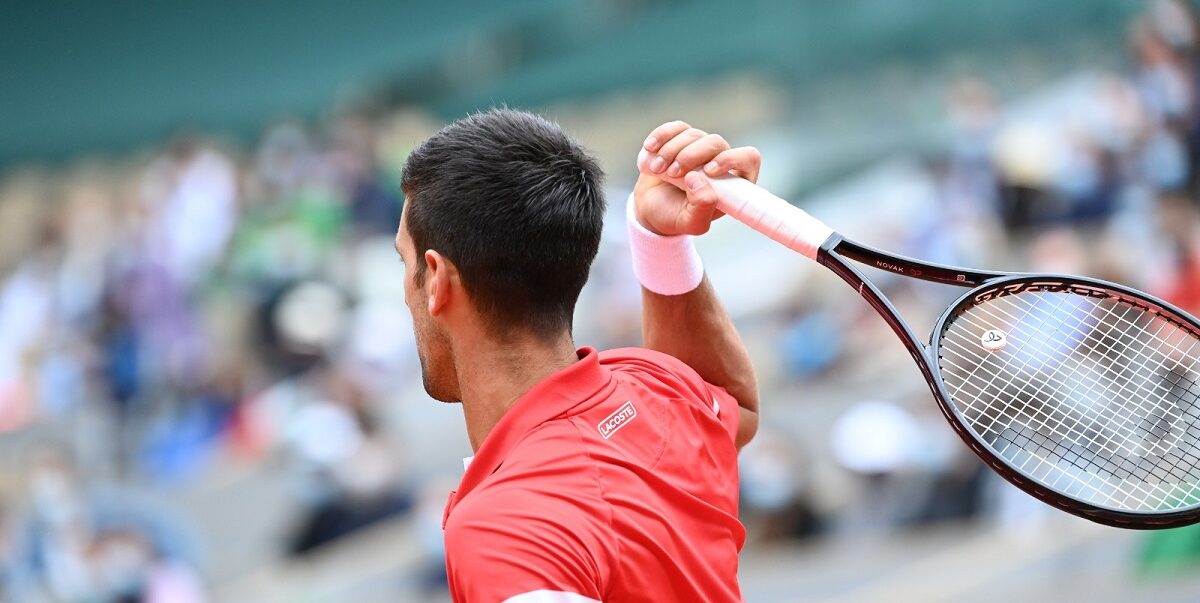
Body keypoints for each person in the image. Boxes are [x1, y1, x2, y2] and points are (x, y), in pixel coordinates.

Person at [396, 110, 760, 602]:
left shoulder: (502, 534)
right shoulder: (657, 387)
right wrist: (658, 240)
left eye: (404, 261)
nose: (404, 291)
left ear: (437, 279)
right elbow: (730, 402)